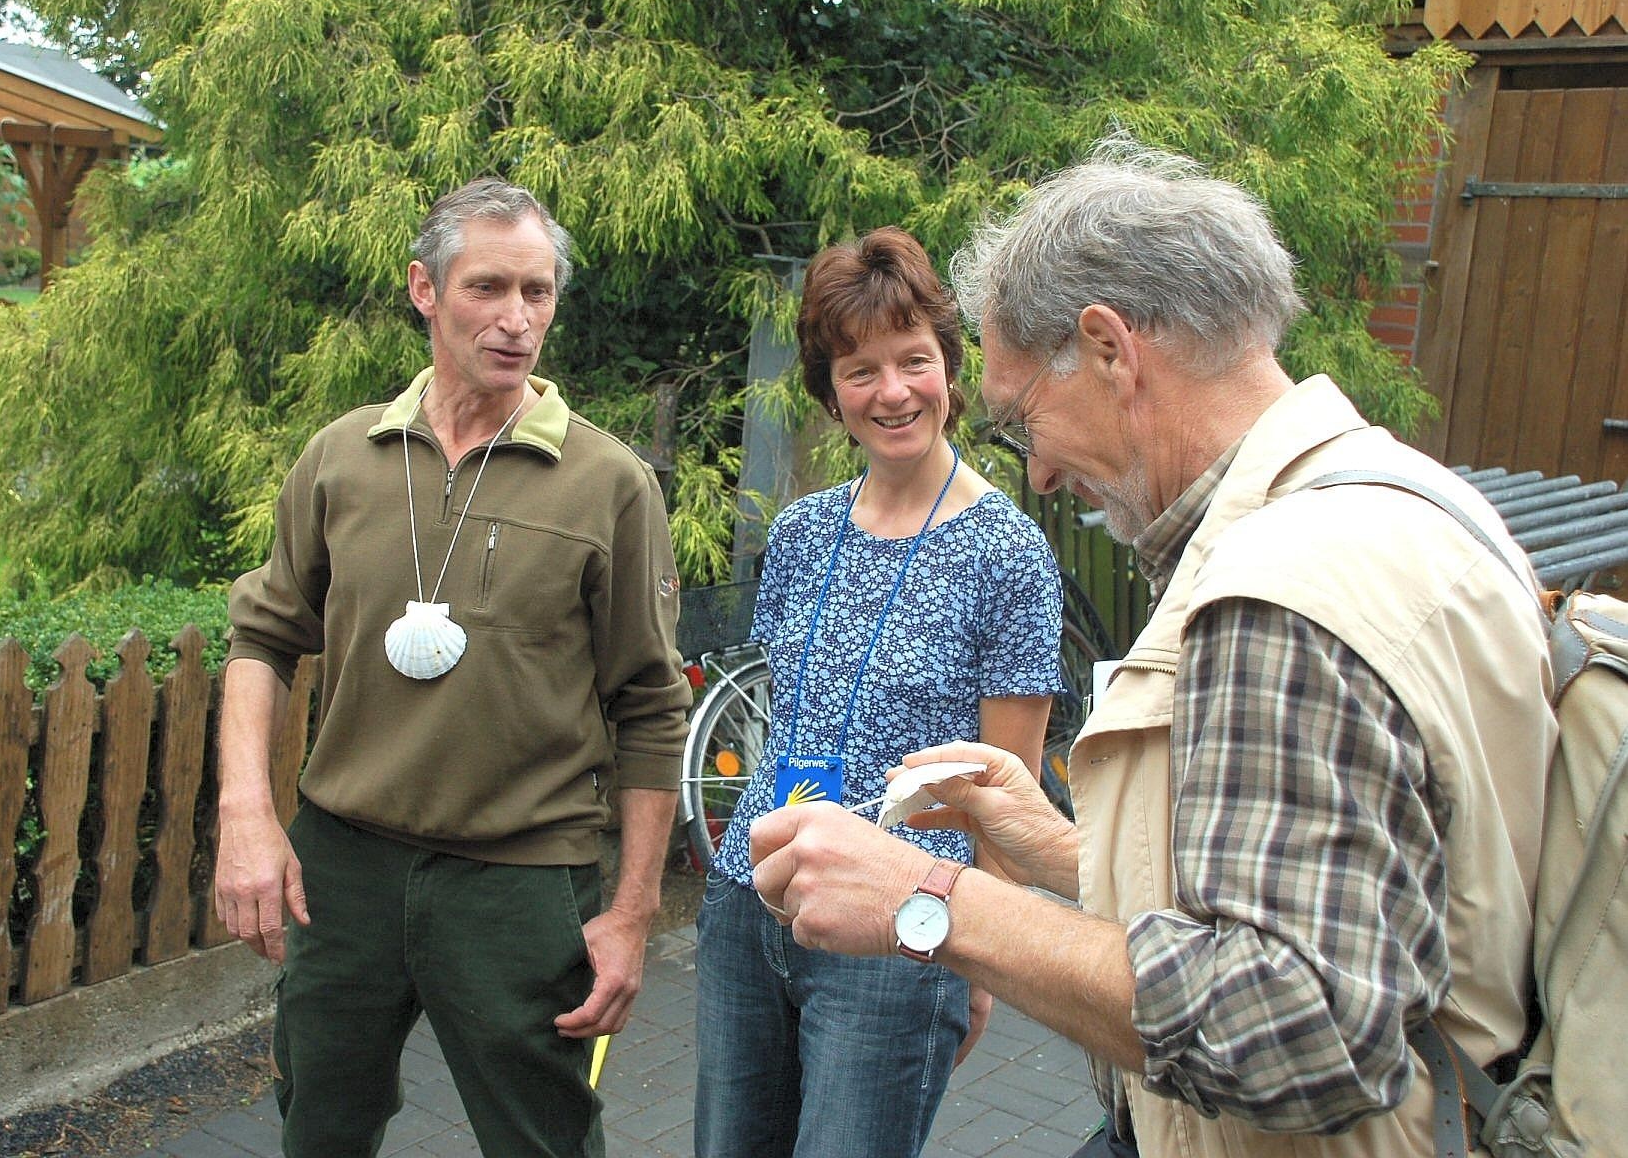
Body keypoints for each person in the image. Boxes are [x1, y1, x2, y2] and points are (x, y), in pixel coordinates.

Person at [746, 142, 1558, 1156]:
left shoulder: (1279, 593)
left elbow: (1294, 1027)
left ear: (1107, 350)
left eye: (1023, 421)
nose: (1035, 475)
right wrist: (1049, 847)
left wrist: (931, 901)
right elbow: (1347, 889)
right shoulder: (1404, 496)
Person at [214, 177, 691, 1157]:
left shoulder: (609, 485)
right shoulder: (341, 459)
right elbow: (262, 639)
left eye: (538, 292)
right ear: (424, 291)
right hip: (343, 868)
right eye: (487, 288)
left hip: (518, 880)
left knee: (542, 1138)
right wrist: (246, 817)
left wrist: (632, 911)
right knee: (319, 1124)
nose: (517, 320)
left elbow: (648, 706)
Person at [693, 227, 1064, 1158]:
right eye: (860, 370)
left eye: (914, 360)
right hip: (749, 897)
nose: (892, 392)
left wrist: (984, 955)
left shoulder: (1007, 553)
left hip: (900, 923)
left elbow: (1007, 786)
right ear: (830, 393)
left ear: (949, 367)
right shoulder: (804, 531)